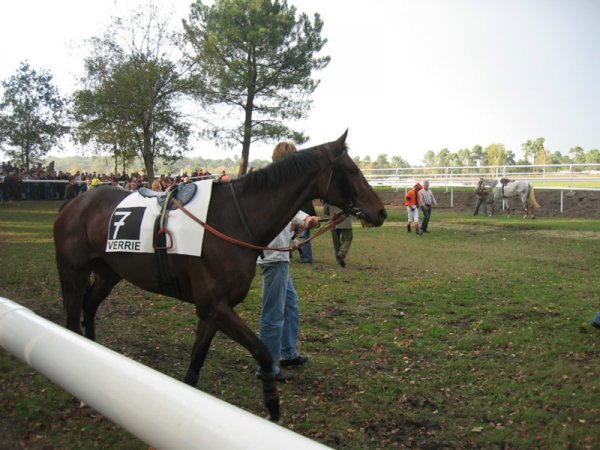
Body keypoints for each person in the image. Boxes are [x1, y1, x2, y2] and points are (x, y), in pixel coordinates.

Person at [256, 142, 320, 382]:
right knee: (273, 314)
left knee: (291, 304)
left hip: (280, 255)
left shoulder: (279, 186)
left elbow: (291, 213)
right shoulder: (272, 187)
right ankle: (266, 366)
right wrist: (301, 222)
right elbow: (280, 214)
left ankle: (288, 352)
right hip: (274, 257)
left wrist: (306, 220)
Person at [323, 203, 353, 267]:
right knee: (348, 238)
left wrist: (331, 214)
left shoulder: (329, 196)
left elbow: (325, 210)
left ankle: (339, 259)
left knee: (336, 241)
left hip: (334, 221)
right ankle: (341, 253)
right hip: (345, 220)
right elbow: (351, 208)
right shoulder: (348, 195)